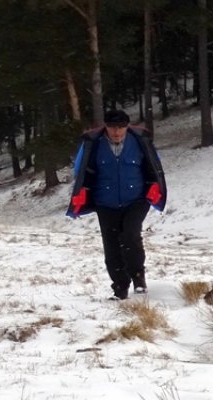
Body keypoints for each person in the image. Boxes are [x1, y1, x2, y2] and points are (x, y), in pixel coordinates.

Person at [65, 109, 167, 301]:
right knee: (111, 247)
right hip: (105, 202)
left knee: (130, 235)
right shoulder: (93, 144)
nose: (117, 132)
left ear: (127, 127)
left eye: (121, 128)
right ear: (106, 127)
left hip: (136, 200)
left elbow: (155, 166)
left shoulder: (139, 141)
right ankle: (120, 287)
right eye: (112, 128)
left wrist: (154, 189)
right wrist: (81, 194)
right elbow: (80, 170)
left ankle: (138, 277)